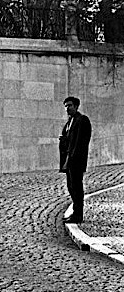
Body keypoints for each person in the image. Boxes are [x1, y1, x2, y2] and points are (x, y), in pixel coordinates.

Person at [59, 96, 92, 224]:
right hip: (68, 160)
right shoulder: (69, 122)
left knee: (77, 187)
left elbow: (82, 142)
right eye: (66, 106)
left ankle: (78, 214)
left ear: (76, 106)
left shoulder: (82, 120)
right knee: (70, 186)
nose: (67, 108)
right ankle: (75, 212)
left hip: (76, 161)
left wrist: (73, 158)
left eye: (70, 105)